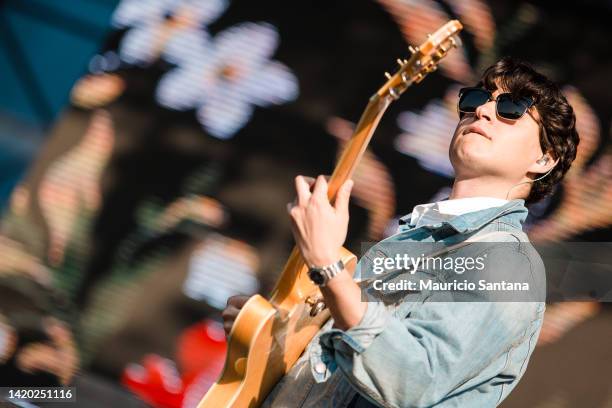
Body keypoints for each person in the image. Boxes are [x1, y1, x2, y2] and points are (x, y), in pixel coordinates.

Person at [222, 57, 580, 407]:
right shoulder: (412, 240)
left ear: (543, 160)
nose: (483, 111)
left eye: (512, 109)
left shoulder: (507, 262)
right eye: (475, 100)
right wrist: (266, 335)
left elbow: (412, 379)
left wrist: (329, 265)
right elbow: (332, 375)